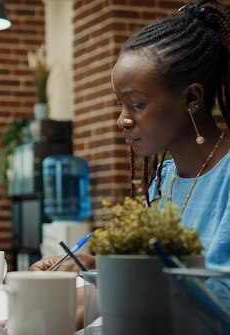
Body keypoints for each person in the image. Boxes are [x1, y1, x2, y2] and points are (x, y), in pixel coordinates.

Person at [32, 0, 230, 318]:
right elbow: (151, 283)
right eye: (120, 105)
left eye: (136, 104)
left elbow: (219, 303)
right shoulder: (165, 181)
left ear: (191, 98)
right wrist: (99, 268)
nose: (122, 120)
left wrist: (116, 280)